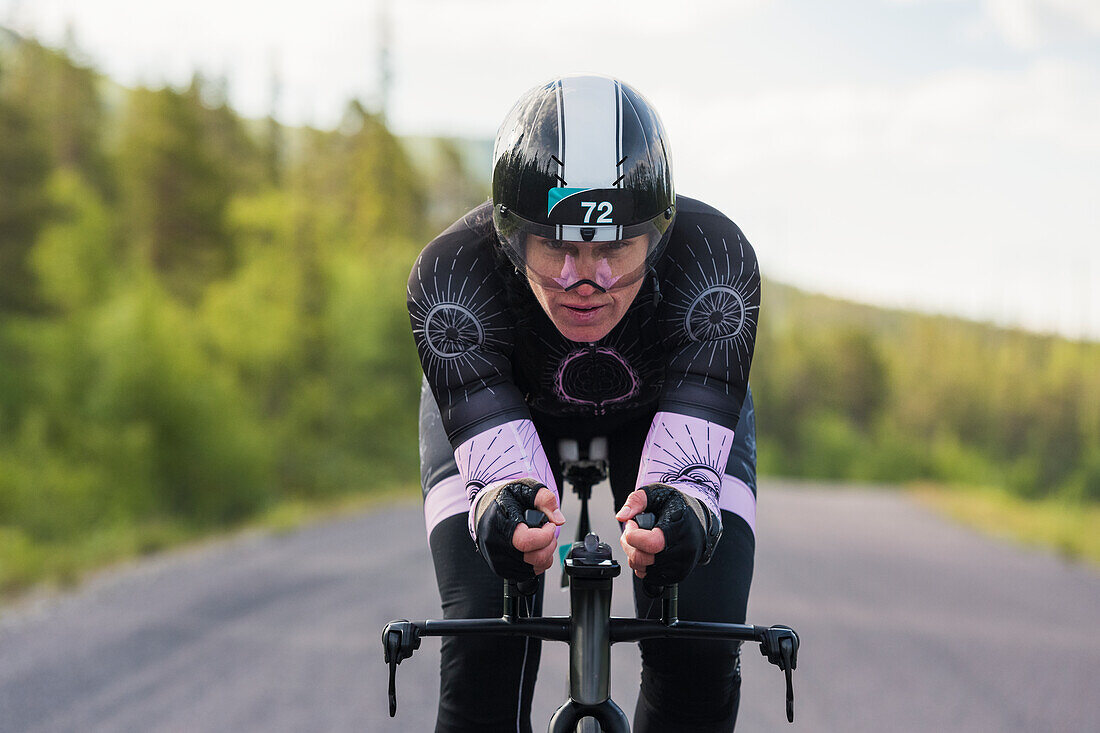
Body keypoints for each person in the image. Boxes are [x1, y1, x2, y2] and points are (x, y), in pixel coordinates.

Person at [408, 74, 760, 733]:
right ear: (511, 236)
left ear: (658, 234)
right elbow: (496, 476)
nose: (585, 280)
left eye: (615, 247)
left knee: (700, 648)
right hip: (511, 406)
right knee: (483, 640)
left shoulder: (715, 260)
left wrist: (686, 513)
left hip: (663, 413)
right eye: (559, 245)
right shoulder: (454, 275)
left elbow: (688, 474)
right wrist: (497, 507)